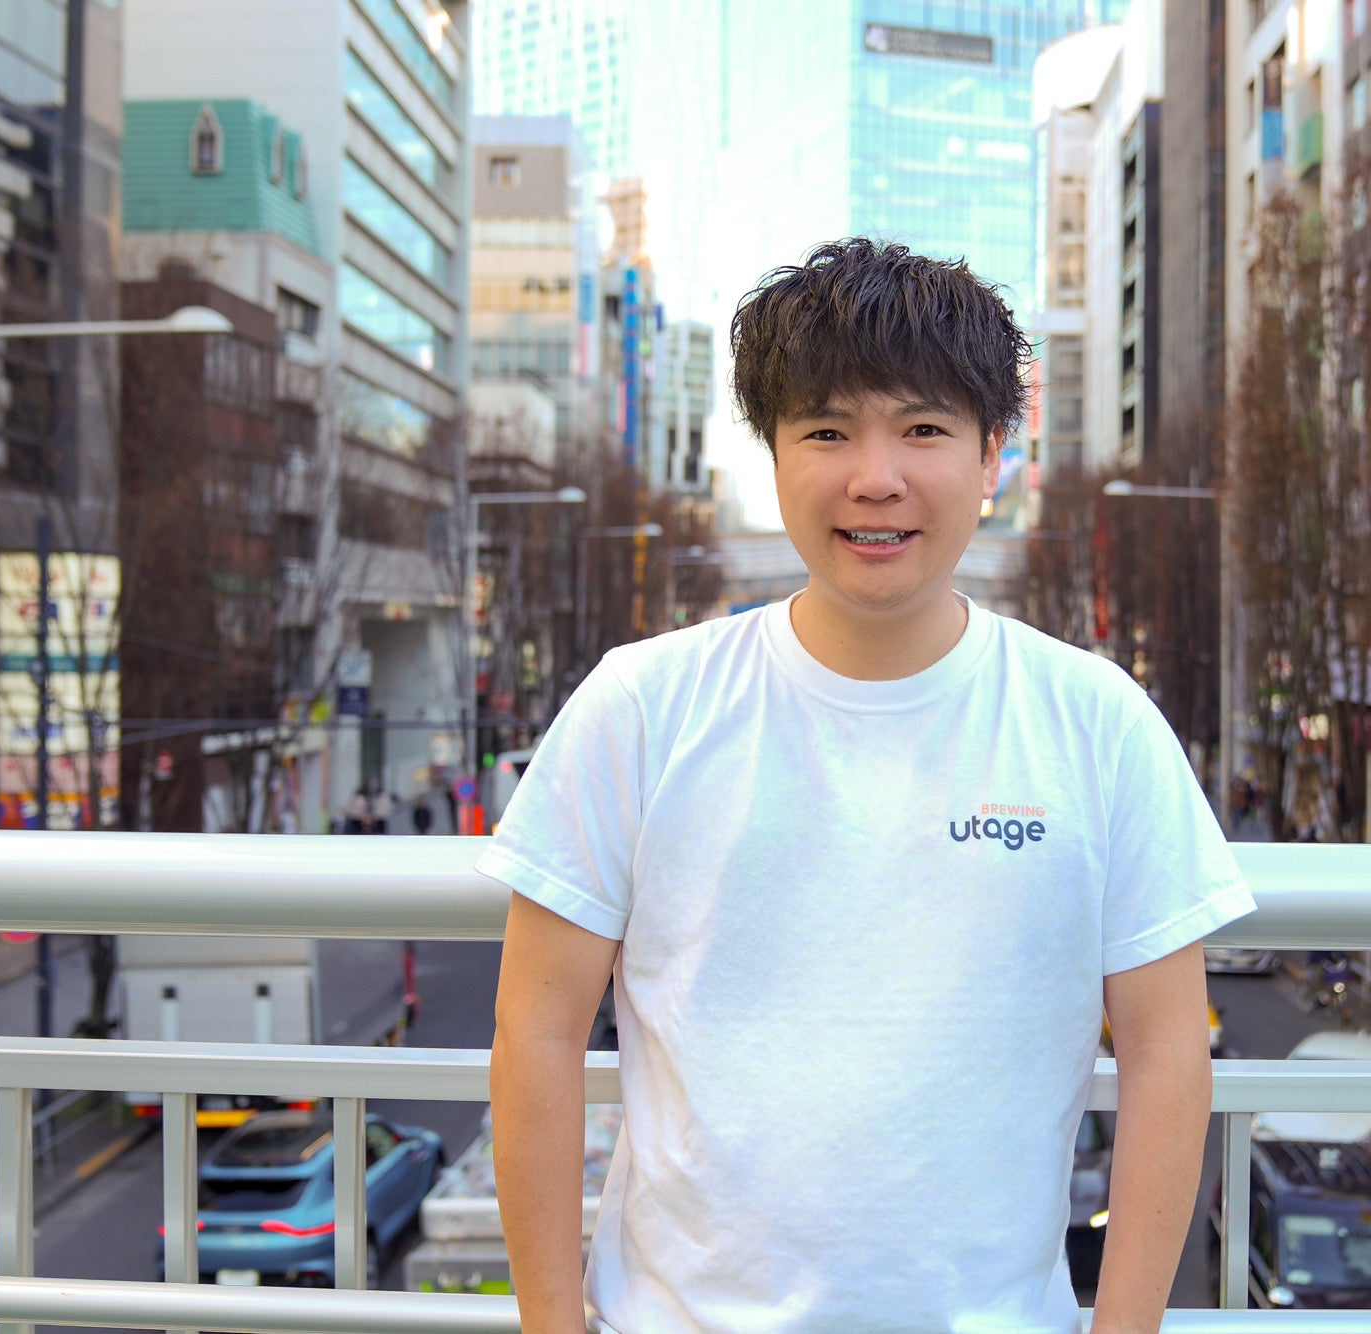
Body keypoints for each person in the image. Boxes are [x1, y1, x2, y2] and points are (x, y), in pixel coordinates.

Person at [482, 239, 1255, 1334]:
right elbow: (537, 1030)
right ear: (774, 455)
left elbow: (1169, 1054)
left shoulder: (1097, 722)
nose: (875, 477)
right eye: (827, 431)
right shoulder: (643, 706)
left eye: (924, 429)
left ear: (991, 458)